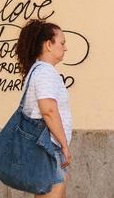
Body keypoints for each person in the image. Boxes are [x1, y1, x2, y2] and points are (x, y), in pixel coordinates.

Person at [17, 19, 73, 198]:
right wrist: (64, 145)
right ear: (49, 45)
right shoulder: (45, 72)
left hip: (44, 148)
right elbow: (48, 109)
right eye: (62, 43)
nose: (65, 48)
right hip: (48, 148)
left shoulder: (38, 71)